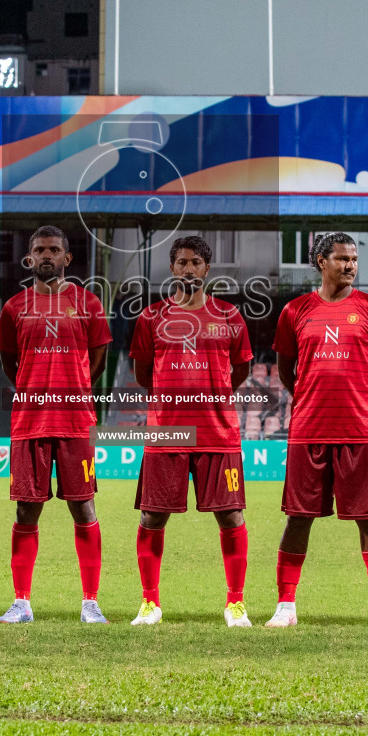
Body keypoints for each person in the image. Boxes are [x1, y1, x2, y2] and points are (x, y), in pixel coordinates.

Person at [266, 232, 368, 631]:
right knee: (298, 518)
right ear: (321, 262)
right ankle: (286, 606)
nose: (350, 265)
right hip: (309, 431)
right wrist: (310, 398)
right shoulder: (295, 311)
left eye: (354, 259)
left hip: (361, 433)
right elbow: (285, 369)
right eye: (342, 258)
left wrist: (363, 400)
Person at [127, 236, 254, 627]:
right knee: (152, 518)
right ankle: (150, 603)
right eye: (181, 262)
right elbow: (143, 374)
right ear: (172, 268)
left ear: (207, 269)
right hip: (167, 431)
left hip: (218, 431)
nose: (188, 269)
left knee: (230, 517)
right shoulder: (150, 318)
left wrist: (211, 397)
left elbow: (242, 369)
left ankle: (235, 604)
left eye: (195, 262)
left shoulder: (230, 316)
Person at [0, 225, 113, 624]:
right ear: (29, 258)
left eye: (54, 250)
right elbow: (11, 363)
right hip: (30, 420)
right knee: (26, 511)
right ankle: (22, 603)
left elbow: (97, 361)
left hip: (75, 421)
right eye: (40, 250)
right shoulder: (13, 307)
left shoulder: (89, 303)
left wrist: (72, 387)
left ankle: (90, 603)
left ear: (67, 258)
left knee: (83, 507)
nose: (47, 256)